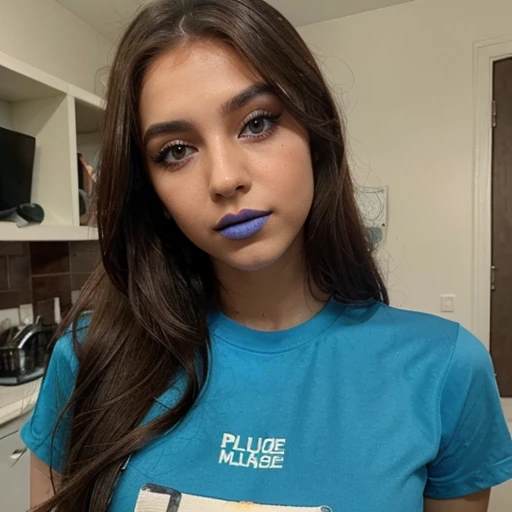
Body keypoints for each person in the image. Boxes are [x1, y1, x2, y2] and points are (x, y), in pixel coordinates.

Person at [21, 0, 512, 511]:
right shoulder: (90, 357)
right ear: (154, 196)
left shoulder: (445, 369)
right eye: (175, 151)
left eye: (256, 123)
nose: (225, 177)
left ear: (315, 137)